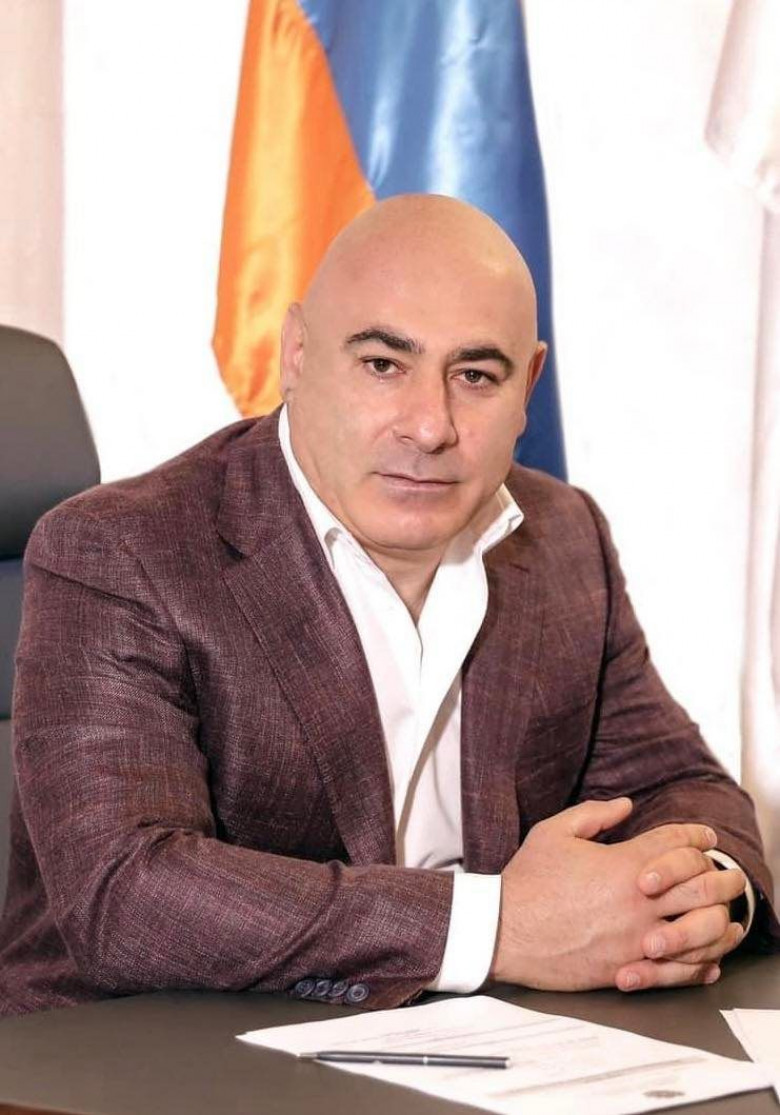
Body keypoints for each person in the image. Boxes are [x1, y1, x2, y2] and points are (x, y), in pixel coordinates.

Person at [0, 195, 776, 1017]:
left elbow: (679, 785)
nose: (430, 426)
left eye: (476, 376)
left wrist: (688, 900)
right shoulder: (124, 550)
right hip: (147, 1052)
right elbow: (126, 893)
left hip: (483, 1048)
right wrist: (499, 926)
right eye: (382, 365)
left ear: (528, 386)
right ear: (297, 352)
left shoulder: (563, 536)